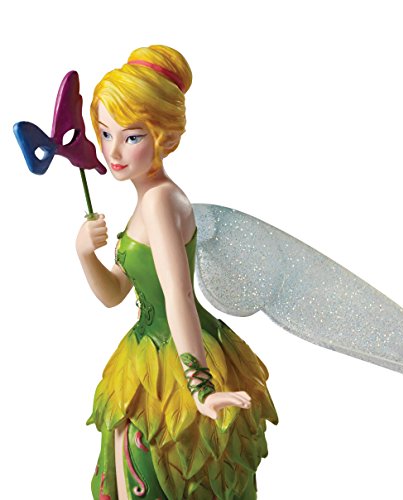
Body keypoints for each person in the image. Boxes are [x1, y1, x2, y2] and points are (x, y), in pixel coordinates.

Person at [76, 45, 278, 500]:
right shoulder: (148, 200)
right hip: (146, 355)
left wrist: (199, 387)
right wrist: (85, 254)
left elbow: (178, 296)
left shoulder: (160, 201)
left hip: (177, 358)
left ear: (163, 136)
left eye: (131, 137)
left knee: (159, 470)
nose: (113, 151)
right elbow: (116, 293)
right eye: (105, 133)